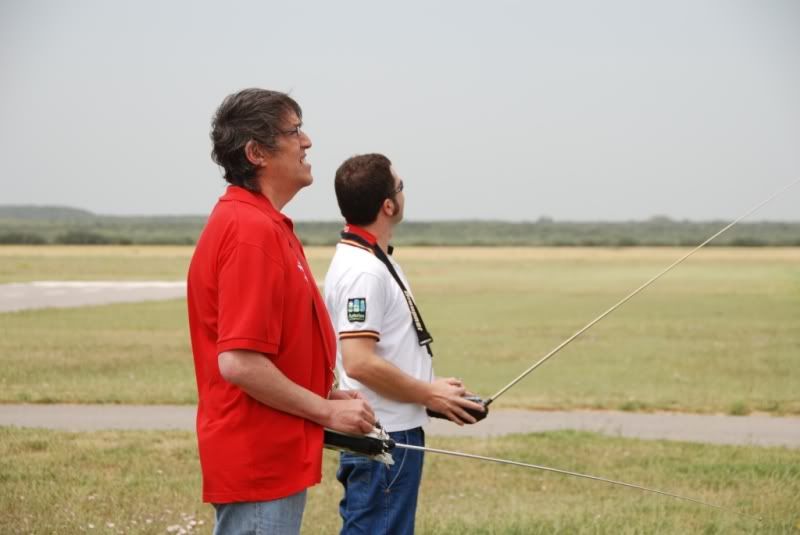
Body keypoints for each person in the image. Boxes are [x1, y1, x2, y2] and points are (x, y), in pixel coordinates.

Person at [187, 88, 375, 535]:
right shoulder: (250, 231)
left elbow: (271, 348)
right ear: (256, 153)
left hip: (276, 454)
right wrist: (326, 413)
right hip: (259, 461)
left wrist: (322, 395)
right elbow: (240, 362)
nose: (307, 141)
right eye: (294, 132)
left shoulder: (266, 224)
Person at [323, 153, 485, 534]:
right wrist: (428, 394)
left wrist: (430, 390)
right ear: (388, 205)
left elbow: (383, 351)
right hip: (385, 436)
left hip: (396, 429)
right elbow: (359, 362)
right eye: (400, 186)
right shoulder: (363, 271)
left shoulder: (375, 260)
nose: (403, 192)